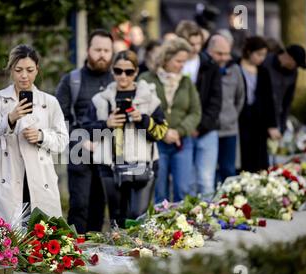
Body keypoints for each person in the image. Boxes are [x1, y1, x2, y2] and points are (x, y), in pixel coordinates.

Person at [0, 44, 68, 224]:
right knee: (6, 234)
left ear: (37, 70)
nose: (24, 76)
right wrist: (11, 117)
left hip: (39, 175)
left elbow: (62, 140)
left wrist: (42, 136)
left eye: (29, 70)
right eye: (18, 70)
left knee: (40, 233)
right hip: (7, 172)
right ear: (11, 70)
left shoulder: (49, 102)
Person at [85, 50, 168, 227]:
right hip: (110, 165)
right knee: (117, 218)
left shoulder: (150, 99)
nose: (123, 76)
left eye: (129, 72)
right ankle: (120, 255)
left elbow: (161, 132)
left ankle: (140, 255)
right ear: (112, 71)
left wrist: (143, 119)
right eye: (118, 71)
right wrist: (106, 124)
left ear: (136, 72)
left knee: (138, 217)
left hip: (143, 163)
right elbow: (85, 132)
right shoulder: (99, 100)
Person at [55, 29, 114, 233]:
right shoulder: (71, 80)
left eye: (107, 50)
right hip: (79, 150)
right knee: (79, 205)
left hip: (107, 151)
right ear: (88, 50)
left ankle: (95, 253)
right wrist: (81, 140)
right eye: (98, 49)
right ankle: (75, 250)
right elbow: (59, 117)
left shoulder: (118, 80)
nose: (102, 54)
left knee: (100, 206)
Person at [139, 37, 202, 202]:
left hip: (182, 142)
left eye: (184, 61)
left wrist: (179, 131)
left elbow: (195, 112)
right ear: (166, 58)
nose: (182, 65)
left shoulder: (186, 82)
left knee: (183, 190)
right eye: (178, 61)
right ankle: (160, 228)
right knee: (159, 192)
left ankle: (183, 227)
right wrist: (162, 132)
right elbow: (141, 111)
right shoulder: (146, 78)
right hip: (154, 142)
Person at [176, 20, 222, 199]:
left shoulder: (209, 65)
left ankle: (208, 221)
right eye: (191, 43)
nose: (195, 48)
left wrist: (200, 126)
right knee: (186, 183)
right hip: (182, 130)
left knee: (206, 180)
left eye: (198, 43)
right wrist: (185, 127)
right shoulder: (174, 65)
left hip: (206, 130)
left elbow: (215, 100)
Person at [238, 36, 281, 173]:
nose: (261, 58)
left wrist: (271, 125)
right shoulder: (236, 67)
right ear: (249, 52)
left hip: (259, 122)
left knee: (260, 160)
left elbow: (268, 100)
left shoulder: (263, 72)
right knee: (243, 157)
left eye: (264, 55)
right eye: (259, 54)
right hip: (240, 119)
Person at [206, 34, 245, 183]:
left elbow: (240, 98)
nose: (224, 58)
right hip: (208, 129)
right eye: (219, 54)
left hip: (229, 128)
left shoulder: (234, 70)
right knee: (209, 174)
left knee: (229, 171)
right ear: (210, 51)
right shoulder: (204, 69)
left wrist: (232, 116)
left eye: (227, 53)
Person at [262, 44, 306, 134]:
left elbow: (287, 101)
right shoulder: (266, 62)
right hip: (259, 119)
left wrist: (282, 126)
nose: (296, 67)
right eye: (296, 64)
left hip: (277, 120)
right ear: (289, 57)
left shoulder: (293, 73)